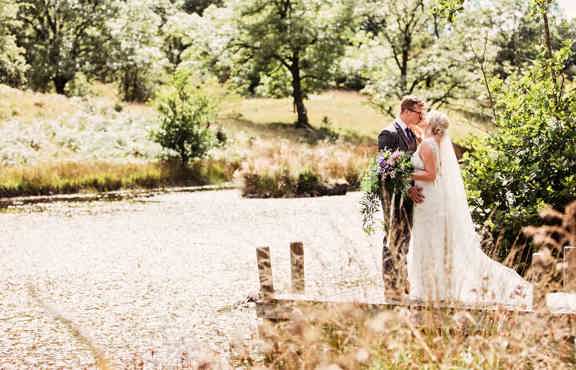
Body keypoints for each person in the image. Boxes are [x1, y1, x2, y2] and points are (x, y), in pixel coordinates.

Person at [407, 110, 533, 308]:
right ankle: (437, 287)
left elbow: (431, 174)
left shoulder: (428, 144)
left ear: (431, 124)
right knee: (435, 241)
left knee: (429, 240)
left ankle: (432, 288)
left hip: (428, 199)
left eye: (426, 119)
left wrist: (406, 174)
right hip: (430, 198)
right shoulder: (436, 143)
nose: (422, 121)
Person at [377, 96, 425, 300]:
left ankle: (401, 280)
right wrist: (406, 188)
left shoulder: (411, 133)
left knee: (404, 238)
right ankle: (390, 286)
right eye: (418, 112)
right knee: (393, 236)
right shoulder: (388, 133)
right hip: (393, 195)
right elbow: (386, 169)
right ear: (405, 111)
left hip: (408, 196)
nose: (421, 116)